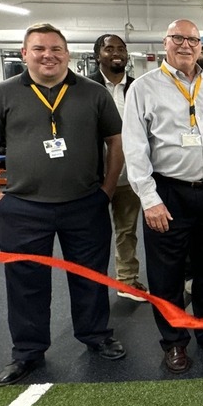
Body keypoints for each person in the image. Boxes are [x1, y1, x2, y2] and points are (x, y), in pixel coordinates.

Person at [0, 23, 126, 387]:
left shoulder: (94, 93)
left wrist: (106, 189)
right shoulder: (1, 94)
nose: (48, 55)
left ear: (67, 54)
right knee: (25, 282)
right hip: (23, 208)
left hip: (85, 204)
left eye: (56, 49)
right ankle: (27, 351)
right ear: (25, 54)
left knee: (90, 275)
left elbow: (116, 141)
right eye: (39, 49)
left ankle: (96, 335)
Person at [122, 20, 203, 375]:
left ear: (199, 47)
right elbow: (134, 148)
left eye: (192, 40)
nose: (185, 45)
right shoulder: (144, 88)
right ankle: (174, 342)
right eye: (177, 38)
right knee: (167, 274)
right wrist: (149, 199)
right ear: (165, 43)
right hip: (168, 192)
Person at [88, 33, 146, 301]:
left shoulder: (137, 87)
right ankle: (92, 284)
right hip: (93, 176)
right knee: (92, 234)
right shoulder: (85, 87)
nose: (116, 53)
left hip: (129, 174)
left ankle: (127, 280)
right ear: (98, 54)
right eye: (109, 48)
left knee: (127, 231)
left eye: (121, 49)